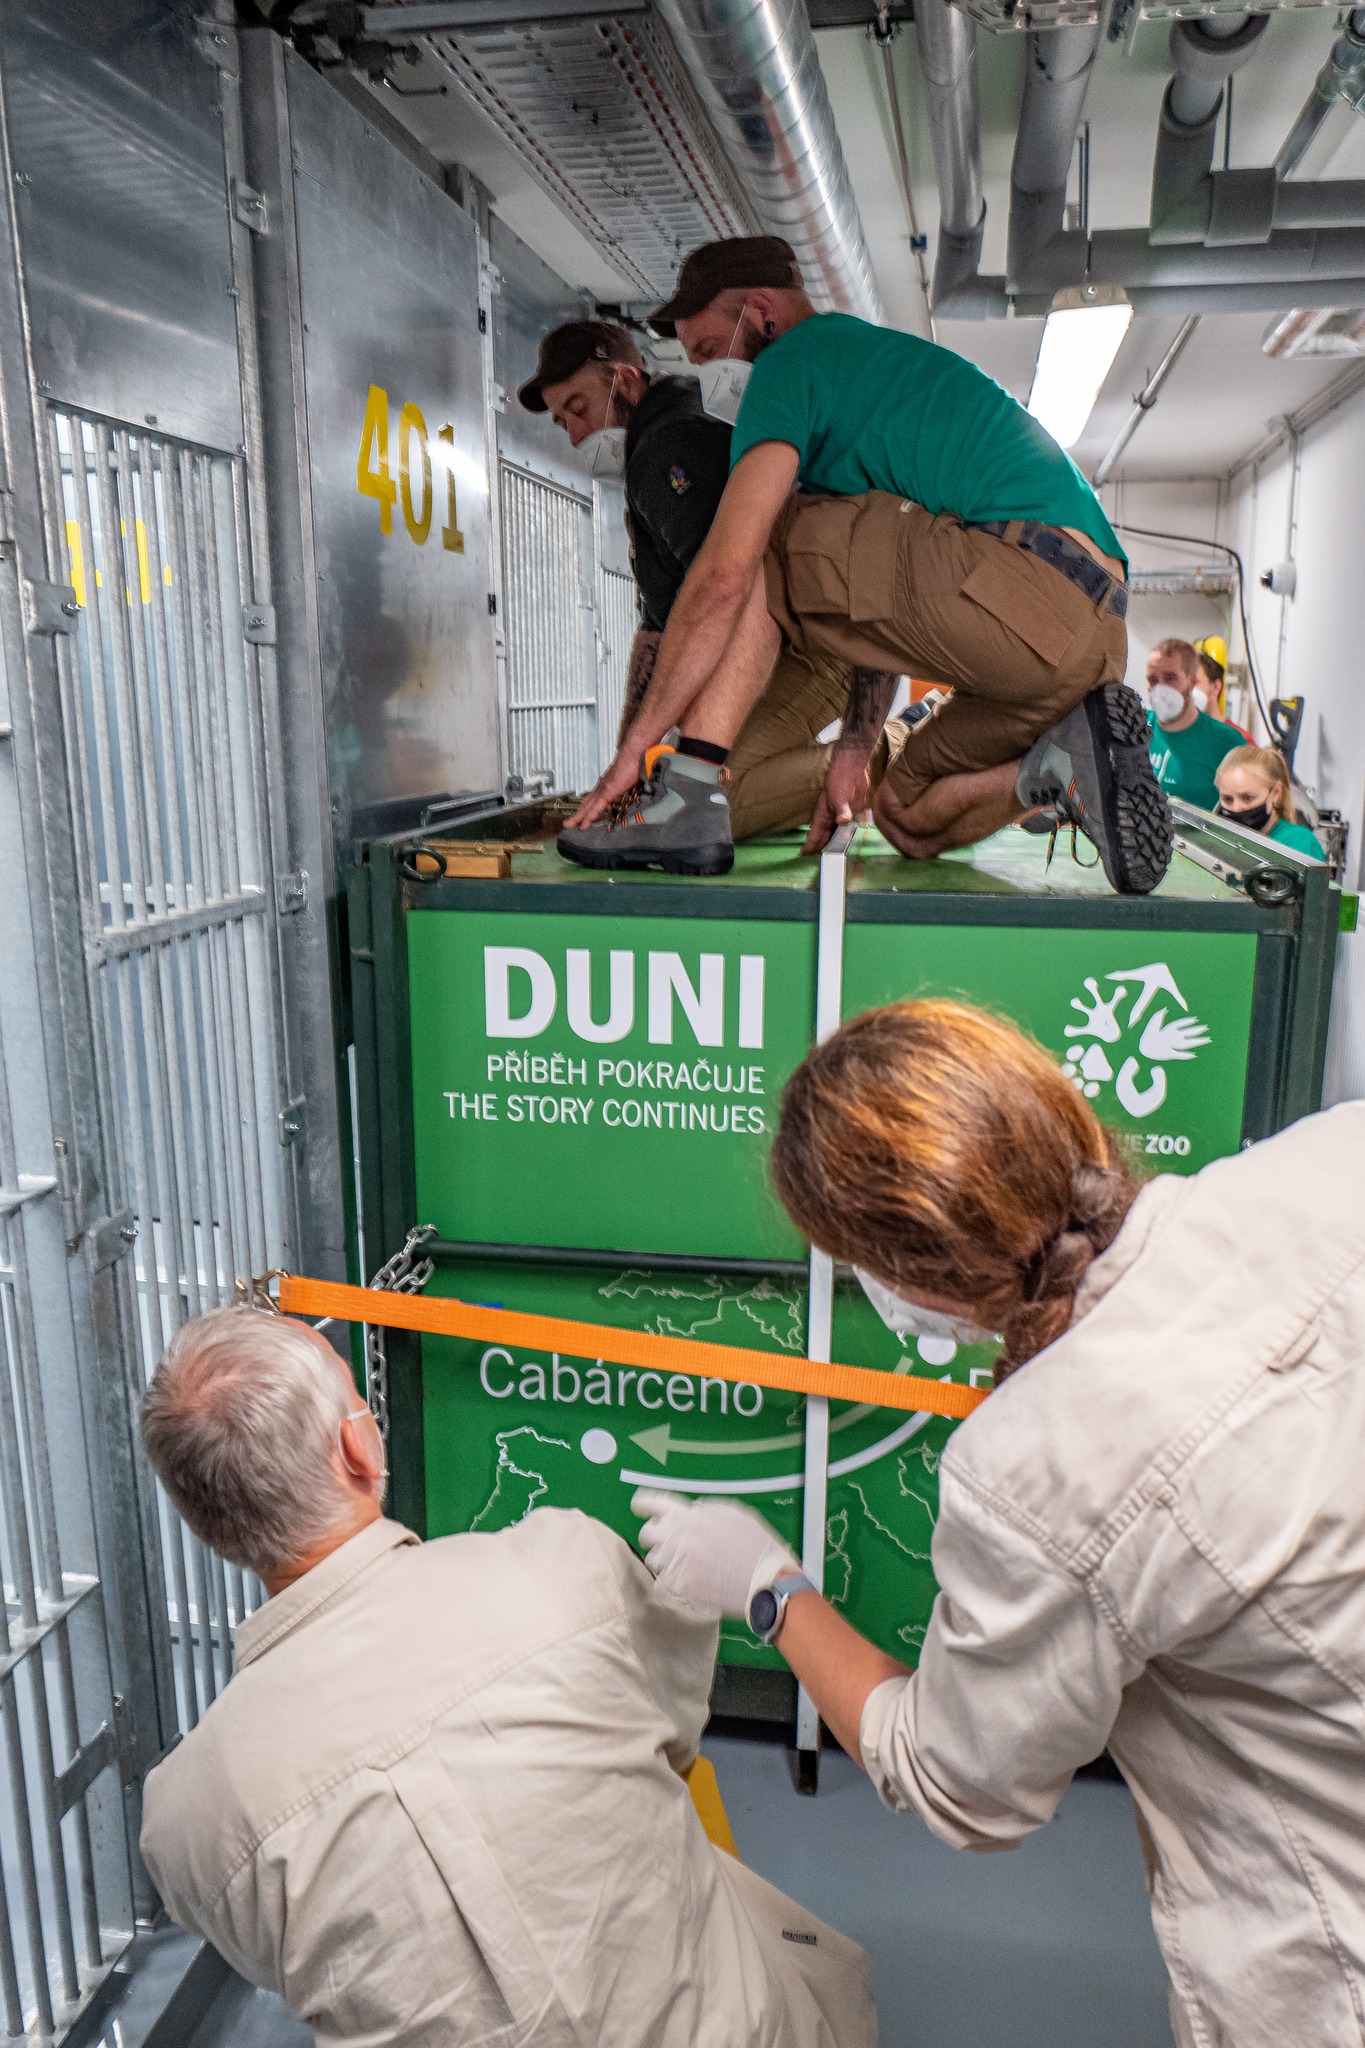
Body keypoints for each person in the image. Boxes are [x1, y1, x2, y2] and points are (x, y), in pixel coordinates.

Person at [633, 1000, 1365, 2048]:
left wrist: (770, 1585)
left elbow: (955, 1784)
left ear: (908, 1276)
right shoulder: (1333, 1155)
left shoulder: (1039, 1465)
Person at [138, 1307, 875, 2048]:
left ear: (204, 1517)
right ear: (358, 1445)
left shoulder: (187, 1821)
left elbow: (286, 1961)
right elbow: (676, 1732)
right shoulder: (566, 1564)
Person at [558, 236, 1172, 896]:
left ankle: (689, 792)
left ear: (760, 311)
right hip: (1089, 642)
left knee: (755, 532)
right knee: (906, 813)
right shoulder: (867, 384)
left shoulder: (793, 362)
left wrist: (633, 756)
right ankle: (1061, 768)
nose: (710, 372)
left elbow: (727, 575)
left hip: (1028, 583)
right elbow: (877, 603)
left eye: (709, 350)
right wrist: (854, 746)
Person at [519, 319, 880, 853]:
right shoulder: (668, 431)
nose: (575, 434)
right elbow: (660, 629)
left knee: (708, 806)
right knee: (687, 785)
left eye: (579, 408)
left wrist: (637, 776)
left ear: (628, 382)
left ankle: (910, 751)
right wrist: (626, 779)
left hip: (814, 642)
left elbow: (724, 599)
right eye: (561, 422)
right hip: (797, 640)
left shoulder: (671, 446)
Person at [1145, 638, 1244, 809]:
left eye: (1170, 678)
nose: (1160, 689)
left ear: (1192, 681)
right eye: (1153, 680)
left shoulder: (1226, 742)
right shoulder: (1136, 727)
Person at [1214, 742, 1324, 858]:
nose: (1236, 808)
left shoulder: (1298, 842)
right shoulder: (1222, 839)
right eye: (1227, 799)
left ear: (1276, 792)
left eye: (1248, 798)